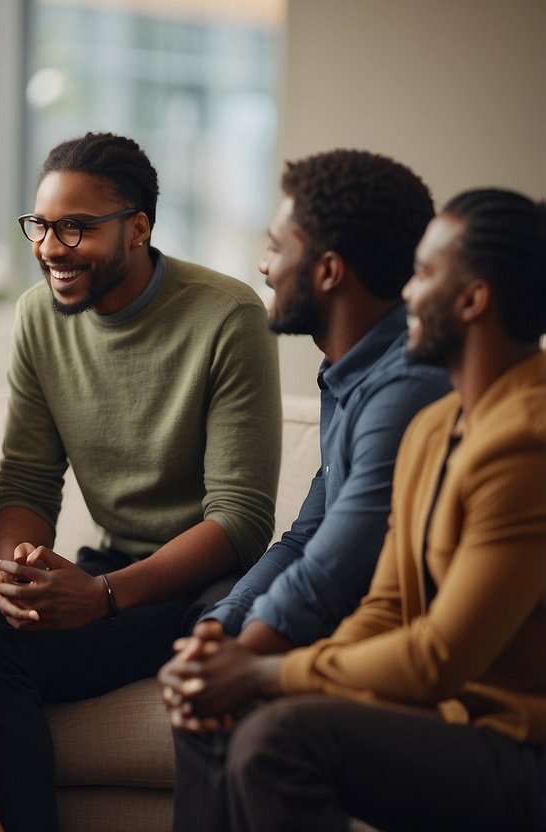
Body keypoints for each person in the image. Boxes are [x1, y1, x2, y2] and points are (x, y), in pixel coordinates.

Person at [160, 188, 546, 831]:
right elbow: (388, 608)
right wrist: (242, 661)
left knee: (277, 740)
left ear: (473, 299)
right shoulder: (434, 428)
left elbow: (435, 658)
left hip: (522, 743)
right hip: (454, 719)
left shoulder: (525, 443)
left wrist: (262, 672)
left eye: (423, 275)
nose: (407, 294)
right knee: (258, 723)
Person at [0, 131, 282, 830]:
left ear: (137, 227)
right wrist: (19, 569)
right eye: (41, 225)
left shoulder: (225, 314)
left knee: (223, 644)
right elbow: (26, 481)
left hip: (208, 579)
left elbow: (240, 518)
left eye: (76, 227)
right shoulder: (37, 317)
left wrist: (103, 598)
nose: (49, 247)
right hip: (112, 569)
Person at [170, 148, 452, 827]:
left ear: (326, 271)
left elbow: (339, 562)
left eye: (274, 247)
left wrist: (241, 657)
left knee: (225, 706)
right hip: (348, 627)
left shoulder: (406, 385)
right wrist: (221, 626)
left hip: (402, 645)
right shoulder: (352, 373)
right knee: (204, 645)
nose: (262, 266)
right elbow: (304, 536)